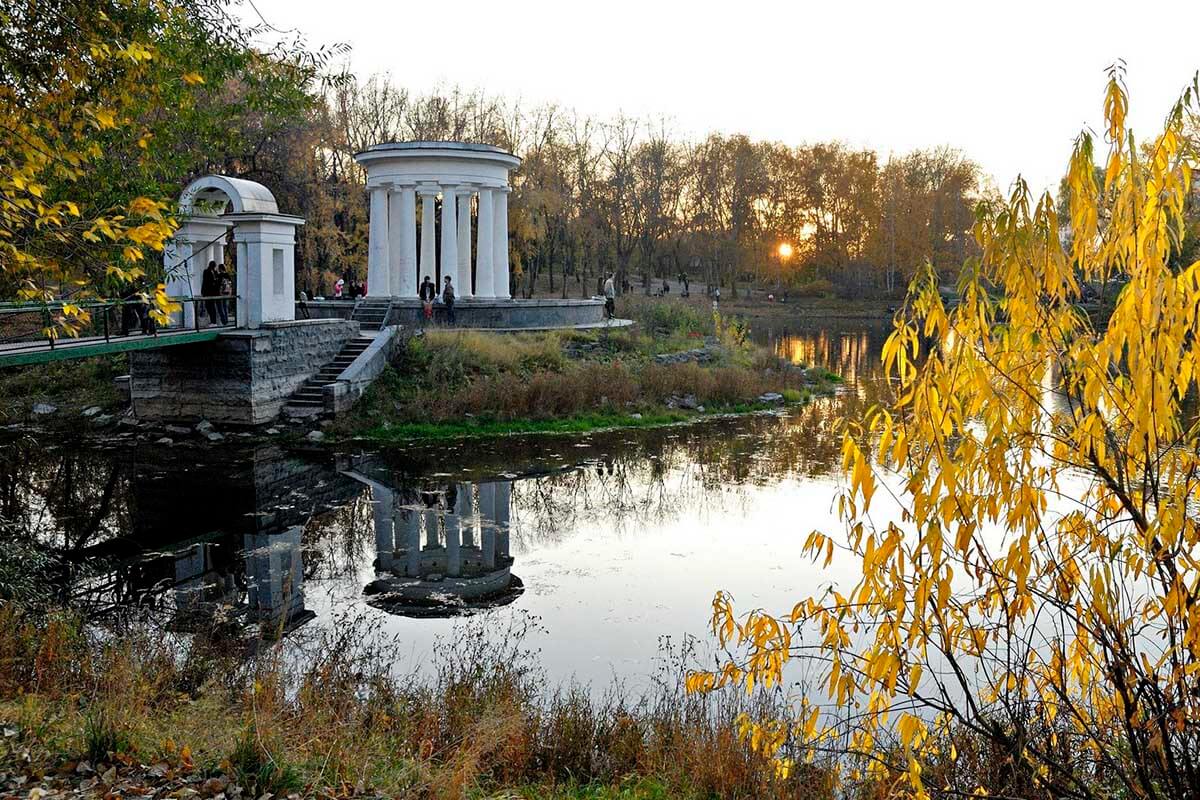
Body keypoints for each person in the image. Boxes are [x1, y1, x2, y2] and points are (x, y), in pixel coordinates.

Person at [201, 260, 220, 325]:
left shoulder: (215, 272)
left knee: (211, 307)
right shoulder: (207, 272)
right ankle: (213, 321)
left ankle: (213, 321)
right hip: (208, 292)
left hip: (211, 293)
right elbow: (206, 282)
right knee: (209, 307)